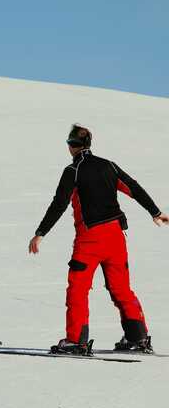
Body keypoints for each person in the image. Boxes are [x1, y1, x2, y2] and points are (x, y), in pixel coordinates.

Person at [29, 124, 169, 355]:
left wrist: (41, 232)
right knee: (121, 288)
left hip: (89, 241)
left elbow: (59, 203)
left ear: (72, 146)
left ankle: (76, 341)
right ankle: (138, 338)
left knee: (78, 289)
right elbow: (133, 187)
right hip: (116, 237)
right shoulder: (109, 166)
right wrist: (154, 212)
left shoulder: (72, 171)